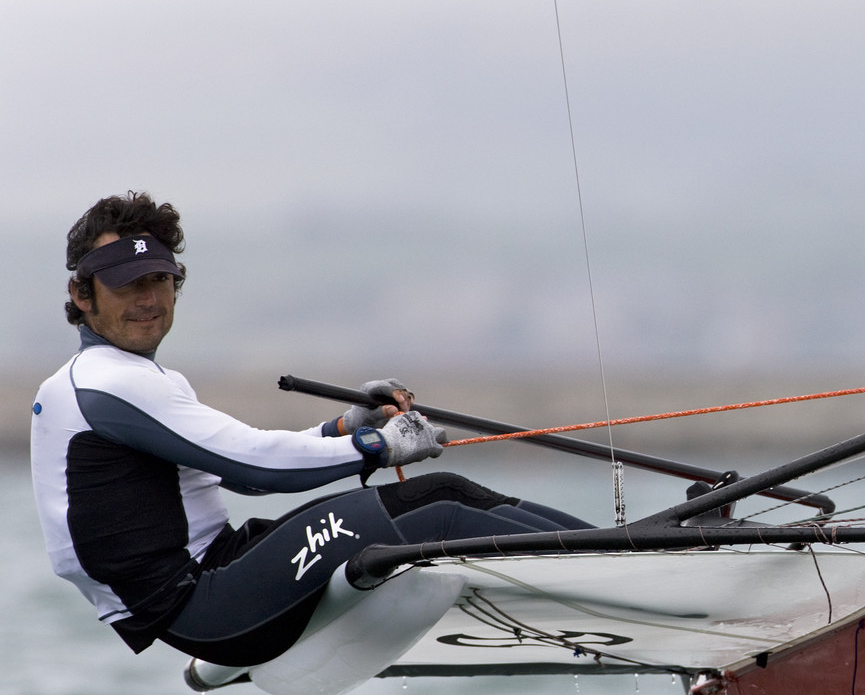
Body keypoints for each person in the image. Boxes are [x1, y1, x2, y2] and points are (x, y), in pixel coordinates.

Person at [31, 192, 590, 669]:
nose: (149, 300)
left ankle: (616, 552)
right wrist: (376, 445)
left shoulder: (120, 379)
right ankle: (616, 568)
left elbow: (241, 477)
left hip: (217, 573)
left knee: (451, 494)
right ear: (83, 296)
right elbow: (256, 465)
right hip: (203, 607)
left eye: (159, 279)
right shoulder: (108, 384)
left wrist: (344, 427)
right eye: (128, 285)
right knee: (437, 507)